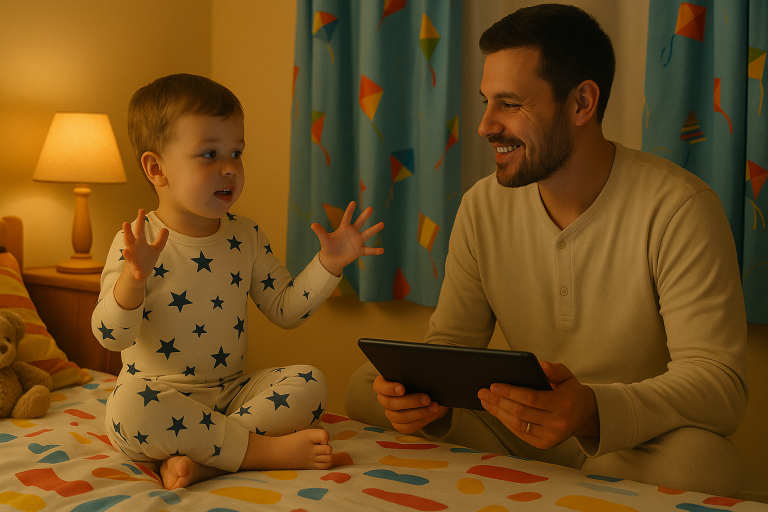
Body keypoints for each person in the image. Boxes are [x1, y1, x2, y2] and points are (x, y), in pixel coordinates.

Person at [345, 4, 748, 497]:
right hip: (513, 430)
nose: (485, 125)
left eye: (510, 104)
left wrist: (591, 409)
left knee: (706, 466)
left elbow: (718, 385)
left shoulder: (680, 208)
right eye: (486, 101)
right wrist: (425, 399)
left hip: (625, 445)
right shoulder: (481, 205)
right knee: (369, 386)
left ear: (581, 102)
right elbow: (451, 343)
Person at [92, 73, 384, 490]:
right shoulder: (134, 243)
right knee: (128, 407)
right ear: (157, 168)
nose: (230, 168)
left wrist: (329, 264)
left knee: (309, 383)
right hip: (159, 397)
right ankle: (262, 452)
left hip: (230, 395)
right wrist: (133, 281)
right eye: (209, 154)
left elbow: (285, 310)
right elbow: (109, 336)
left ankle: (209, 460)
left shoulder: (245, 236)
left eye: (237, 153)